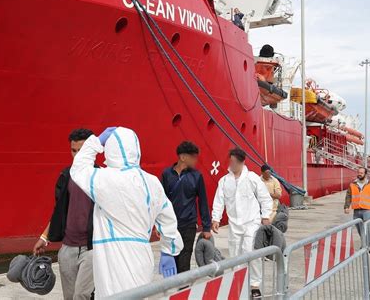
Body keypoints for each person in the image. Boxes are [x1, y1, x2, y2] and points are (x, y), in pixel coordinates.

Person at [70, 126, 183, 298]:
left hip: (113, 259)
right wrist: (169, 250)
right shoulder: (151, 182)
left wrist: (95, 141)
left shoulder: (106, 179)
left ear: (110, 150)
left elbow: (78, 169)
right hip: (141, 258)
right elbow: (168, 218)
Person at [33, 128, 95, 300]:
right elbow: (59, 212)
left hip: (92, 249)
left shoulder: (101, 177)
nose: (76, 155)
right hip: (68, 248)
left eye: (80, 151)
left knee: (81, 295)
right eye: (73, 150)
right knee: (69, 297)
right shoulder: (65, 176)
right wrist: (44, 238)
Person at [211, 148, 273, 299]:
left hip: (251, 222)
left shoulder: (251, 178)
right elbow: (219, 200)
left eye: (236, 162)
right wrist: (216, 218)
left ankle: (254, 285)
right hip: (234, 223)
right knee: (235, 254)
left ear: (242, 162)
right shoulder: (225, 180)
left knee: (250, 251)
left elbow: (265, 198)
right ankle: (238, 281)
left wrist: (265, 216)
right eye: (231, 161)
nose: (233, 164)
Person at [161, 141, 212, 273]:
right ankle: (175, 288)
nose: (196, 160)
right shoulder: (166, 175)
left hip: (188, 224)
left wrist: (206, 227)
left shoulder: (197, 176)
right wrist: (158, 223)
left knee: (184, 260)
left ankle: (183, 290)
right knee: (172, 259)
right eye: (193, 157)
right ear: (183, 157)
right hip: (170, 225)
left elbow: (203, 202)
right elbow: (161, 200)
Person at [344, 167, 370, 236]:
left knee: (366, 230)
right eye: (358, 173)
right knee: (360, 230)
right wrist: (346, 207)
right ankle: (364, 244)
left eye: (361, 173)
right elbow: (348, 196)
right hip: (356, 210)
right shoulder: (352, 185)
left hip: (367, 210)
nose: (359, 174)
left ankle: (366, 245)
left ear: (365, 174)